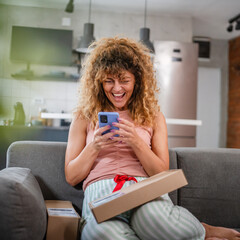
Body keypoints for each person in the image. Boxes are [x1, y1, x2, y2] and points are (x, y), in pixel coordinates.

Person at [65, 37, 240, 240]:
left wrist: (136, 142)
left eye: (124, 80)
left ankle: (202, 230)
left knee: (153, 219)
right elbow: (72, 176)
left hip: (143, 188)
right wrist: (94, 146)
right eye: (109, 81)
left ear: (137, 80)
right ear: (98, 81)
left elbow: (160, 172)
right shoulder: (83, 117)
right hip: (101, 189)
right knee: (103, 234)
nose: (117, 89)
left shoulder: (153, 116)